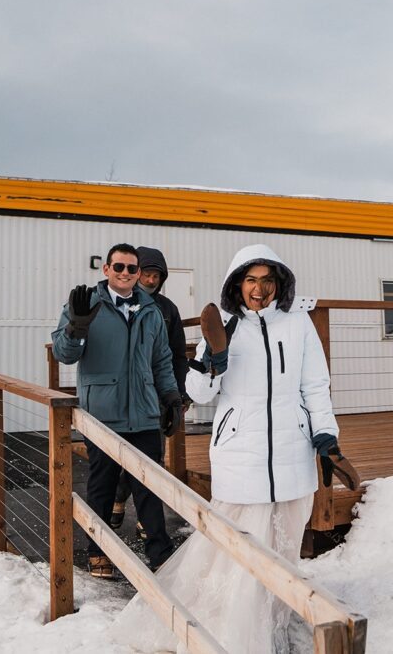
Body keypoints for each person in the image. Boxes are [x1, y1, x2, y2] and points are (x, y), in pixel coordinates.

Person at [115, 244, 358, 653]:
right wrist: (213, 360)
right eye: (250, 280)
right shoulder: (223, 324)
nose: (259, 289)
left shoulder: (298, 324)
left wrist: (325, 435)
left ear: (279, 283)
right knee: (240, 550)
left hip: (291, 451)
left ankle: (275, 623)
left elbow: (315, 385)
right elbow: (197, 392)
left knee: (283, 548)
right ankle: (236, 634)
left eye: (267, 280)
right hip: (239, 451)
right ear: (237, 284)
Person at [51, 243, 183, 578]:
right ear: (106, 269)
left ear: (138, 274)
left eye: (132, 269)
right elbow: (64, 355)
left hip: (143, 412)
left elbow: (162, 359)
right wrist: (76, 327)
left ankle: (161, 555)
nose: (125, 273)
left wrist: (169, 396)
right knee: (103, 486)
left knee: (150, 486)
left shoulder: (151, 310)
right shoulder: (86, 304)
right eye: (119, 267)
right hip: (104, 413)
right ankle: (99, 552)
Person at [110, 246, 190, 532]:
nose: (151, 280)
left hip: (158, 396)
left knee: (154, 457)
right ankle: (118, 497)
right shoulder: (118, 303)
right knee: (122, 454)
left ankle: (148, 520)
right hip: (124, 394)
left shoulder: (168, 310)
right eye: (146, 272)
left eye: (157, 275)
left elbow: (178, 354)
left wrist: (180, 392)